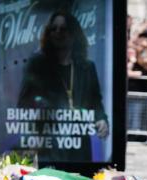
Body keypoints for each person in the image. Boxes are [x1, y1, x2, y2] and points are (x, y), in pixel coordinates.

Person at [17, 10, 109, 163]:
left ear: (73, 34)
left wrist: (101, 119)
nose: (58, 33)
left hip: (79, 141)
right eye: (54, 29)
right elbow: (23, 103)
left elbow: (95, 100)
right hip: (49, 140)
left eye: (63, 29)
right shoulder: (38, 65)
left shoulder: (86, 67)